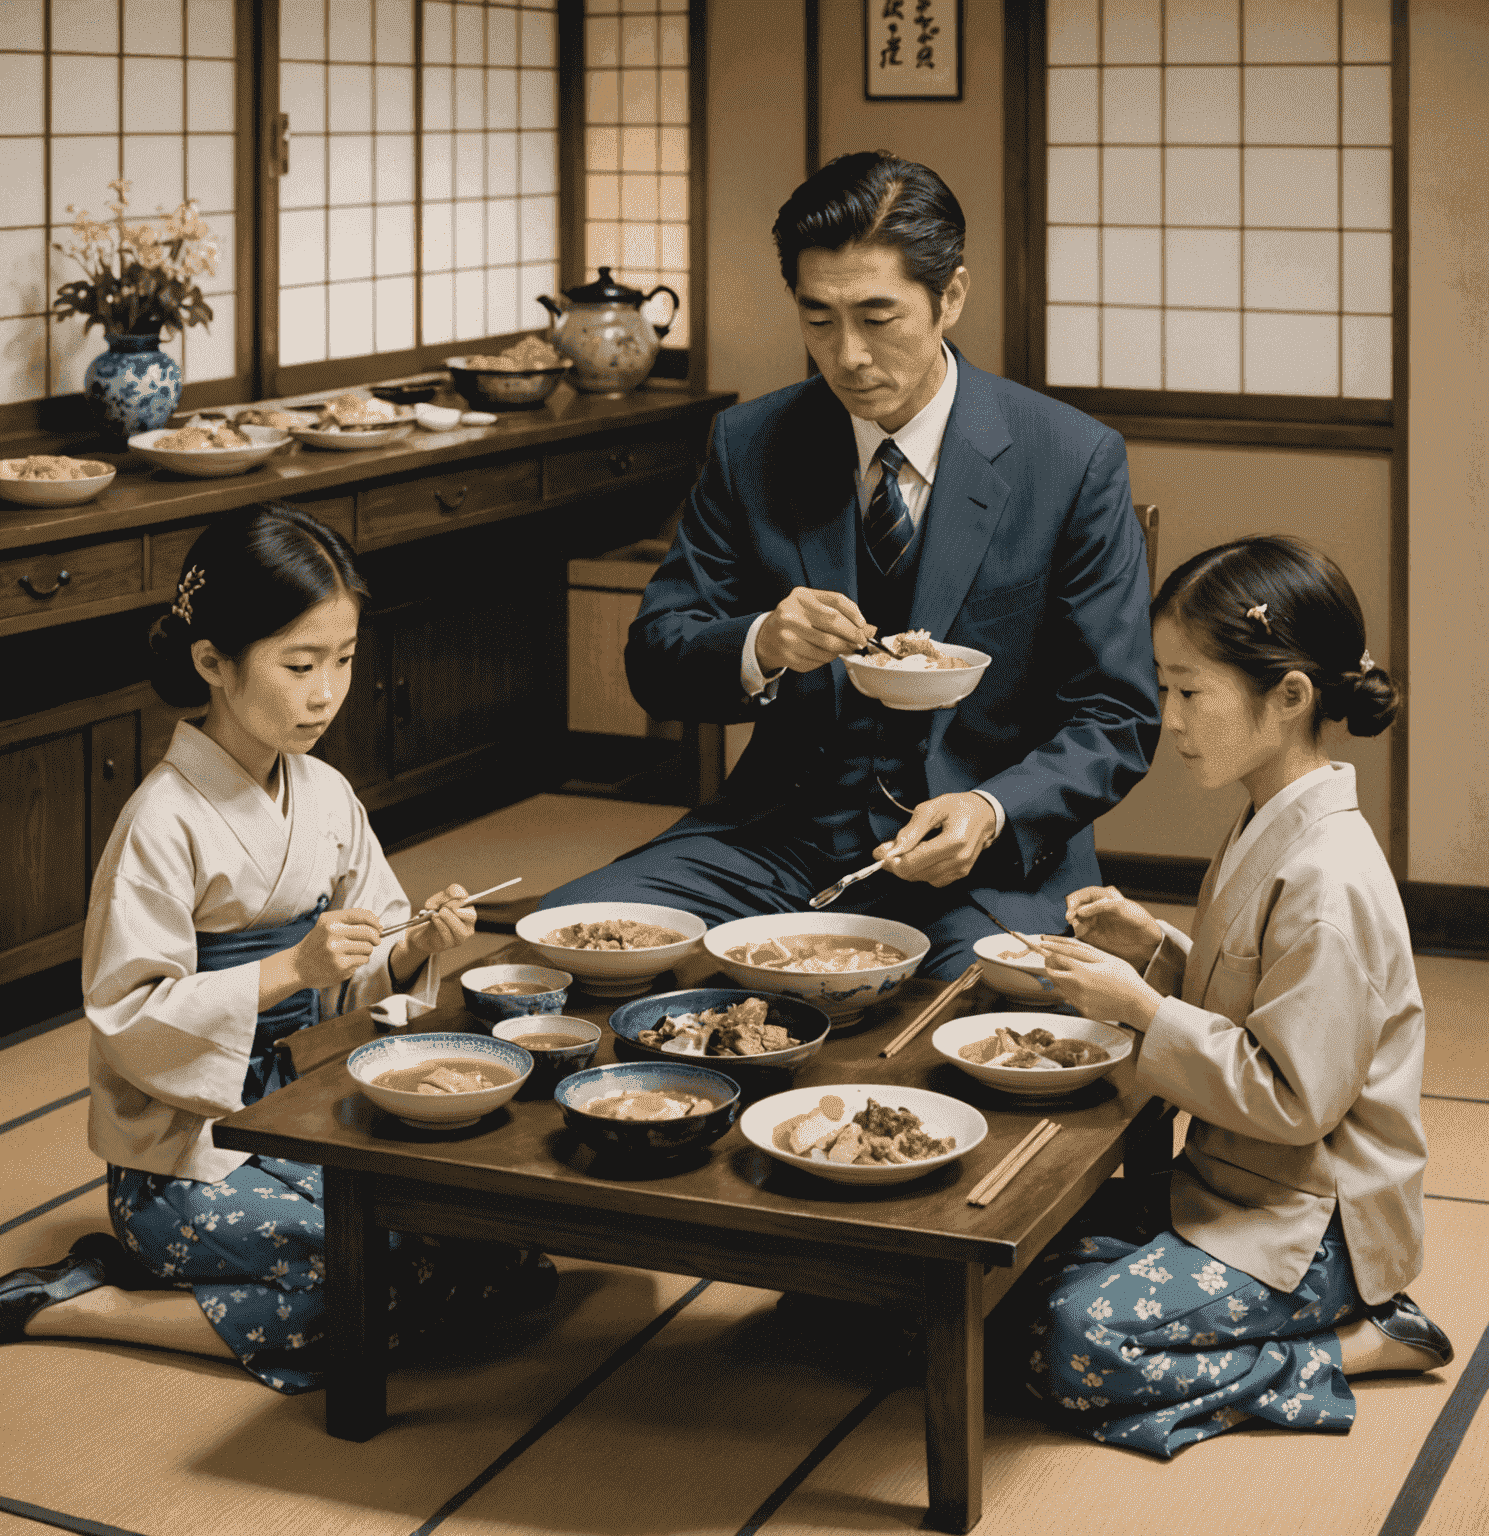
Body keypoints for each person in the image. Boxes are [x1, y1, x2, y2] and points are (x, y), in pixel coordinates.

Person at [0, 505, 554, 1390]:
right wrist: (288, 970)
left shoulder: (325, 793)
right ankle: (88, 1303)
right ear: (212, 662)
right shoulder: (160, 822)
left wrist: (409, 944)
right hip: (188, 1149)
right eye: (299, 665)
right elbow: (126, 1016)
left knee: (508, 1254)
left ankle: (191, 1286)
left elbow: (367, 958)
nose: (326, 693)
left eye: (345, 661)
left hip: (312, 1111)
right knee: (370, 1278)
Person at [543, 152, 1159, 974]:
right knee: (559, 944)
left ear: (952, 299)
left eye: (879, 316)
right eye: (819, 319)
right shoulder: (753, 444)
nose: (849, 356)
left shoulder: (1069, 459)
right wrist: (760, 641)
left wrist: (987, 807)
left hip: (977, 866)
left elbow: (1116, 715)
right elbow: (657, 659)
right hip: (778, 842)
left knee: (981, 1027)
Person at [1008, 534, 1452, 1457]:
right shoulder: (1274, 813)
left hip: (1309, 1222)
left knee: (1076, 1343)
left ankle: (1350, 1345)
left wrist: (1137, 1005)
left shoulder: (1329, 878)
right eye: (1165, 687)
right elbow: (1256, 1004)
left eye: (1190, 691)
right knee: (1002, 1284)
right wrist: (1161, 951)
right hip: (1237, 1185)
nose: (1168, 718)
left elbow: (1291, 1099)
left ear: (1288, 697)